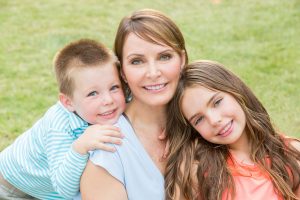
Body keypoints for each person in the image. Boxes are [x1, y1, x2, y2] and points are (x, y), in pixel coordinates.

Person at [78, 9, 188, 200]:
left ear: (182, 60)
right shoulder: (108, 149)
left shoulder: (202, 121)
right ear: (122, 73)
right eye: (137, 61)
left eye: (164, 56)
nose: (153, 73)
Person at [0, 39, 126, 199]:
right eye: (93, 93)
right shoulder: (59, 126)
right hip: (14, 183)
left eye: (114, 87)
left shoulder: (107, 105)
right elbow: (65, 189)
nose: (108, 100)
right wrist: (79, 147)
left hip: (42, 182)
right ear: (68, 102)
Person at [165, 60, 300, 200]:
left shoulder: (291, 154)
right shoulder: (197, 167)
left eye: (217, 102)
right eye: (199, 120)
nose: (214, 120)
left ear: (235, 91)